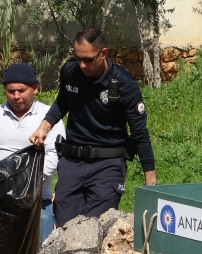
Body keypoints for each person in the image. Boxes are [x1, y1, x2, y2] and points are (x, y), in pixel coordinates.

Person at [29, 27, 157, 226]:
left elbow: (139, 132)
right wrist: (44, 127)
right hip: (72, 162)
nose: (82, 65)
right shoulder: (70, 71)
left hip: (108, 165)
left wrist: (150, 180)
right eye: (77, 58)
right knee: (65, 227)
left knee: (96, 228)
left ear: (103, 53)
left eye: (88, 59)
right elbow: (62, 102)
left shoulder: (124, 84)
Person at [0, 63, 65, 245]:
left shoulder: (49, 118)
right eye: (11, 91)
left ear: (35, 88)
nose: (16, 96)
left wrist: (21, 188)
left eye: (21, 90)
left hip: (37, 204)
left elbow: (53, 158)